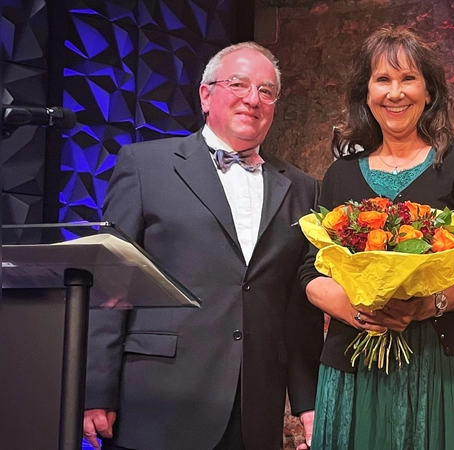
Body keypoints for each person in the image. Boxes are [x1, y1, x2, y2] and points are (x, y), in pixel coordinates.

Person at [82, 42, 324, 450]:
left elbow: (297, 310)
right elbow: (110, 284)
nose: (253, 99)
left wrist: (309, 403)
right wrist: (94, 389)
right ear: (206, 94)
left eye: (266, 91)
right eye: (238, 84)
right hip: (158, 400)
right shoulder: (145, 166)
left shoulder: (302, 187)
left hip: (254, 408)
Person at [298, 27, 454, 449]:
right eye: (382, 80)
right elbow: (309, 269)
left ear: (429, 92)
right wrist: (362, 311)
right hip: (357, 366)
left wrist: (428, 304)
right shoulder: (340, 174)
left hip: (446, 368)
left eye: (408, 79)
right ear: (365, 93)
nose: (395, 93)